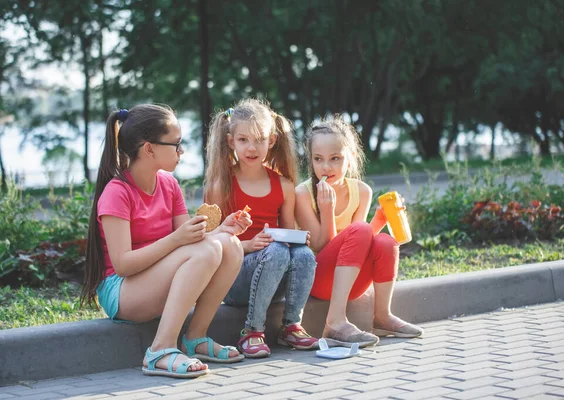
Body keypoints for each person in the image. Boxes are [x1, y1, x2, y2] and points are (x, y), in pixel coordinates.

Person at [81, 104, 252, 379]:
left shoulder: (169, 185)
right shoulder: (117, 192)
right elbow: (123, 264)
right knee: (209, 249)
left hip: (154, 277)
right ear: (149, 149)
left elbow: (194, 241)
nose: (181, 151)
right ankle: (159, 350)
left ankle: (195, 338)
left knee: (229, 245)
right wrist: (177, 240)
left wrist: (223, 229)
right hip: (123, 291)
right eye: (176, 144)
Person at [294, 116, 424, 348]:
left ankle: (382, 316)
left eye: (335, 158)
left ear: (351, 158)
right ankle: (334, 322)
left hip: (351, 281)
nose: (326, 167)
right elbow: (323, 247)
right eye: (318, 159)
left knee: (385, 241)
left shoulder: (362, 191)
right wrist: (327, 210)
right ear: (310, 160)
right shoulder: (303, 194)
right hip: (319, 279)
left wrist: (379, 220)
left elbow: (360, 241)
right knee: (363, 229)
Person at [204, 99, 318, 358]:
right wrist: (245, 245)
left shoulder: (284, 186)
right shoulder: (221, 185)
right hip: (232, 280)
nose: (252, 147)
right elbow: (207, 242)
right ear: (231, 141)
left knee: (303, 255)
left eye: (259, 139)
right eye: (243, 140)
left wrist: (298, 239)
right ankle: (252, 332)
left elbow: (288, 237)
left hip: (273, 273)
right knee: (276, 251)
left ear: (272, 140)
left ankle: (291, 326)